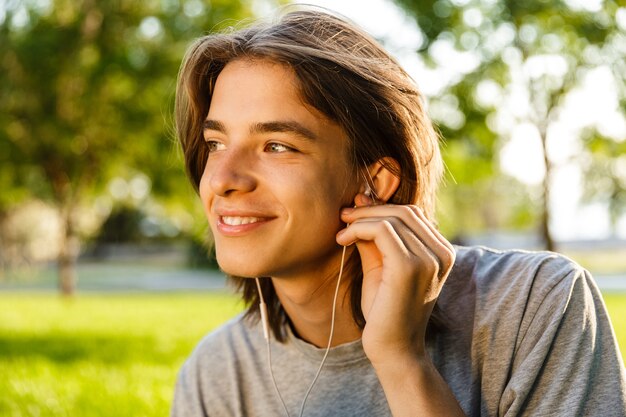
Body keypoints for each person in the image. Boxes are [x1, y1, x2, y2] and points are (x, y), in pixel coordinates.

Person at [171, 7, 626, 417]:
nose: (222, 179)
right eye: (216, 143)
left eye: (276, 146)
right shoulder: (217, 374)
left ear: (376, 180)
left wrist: (401, 360)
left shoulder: (535, 305)